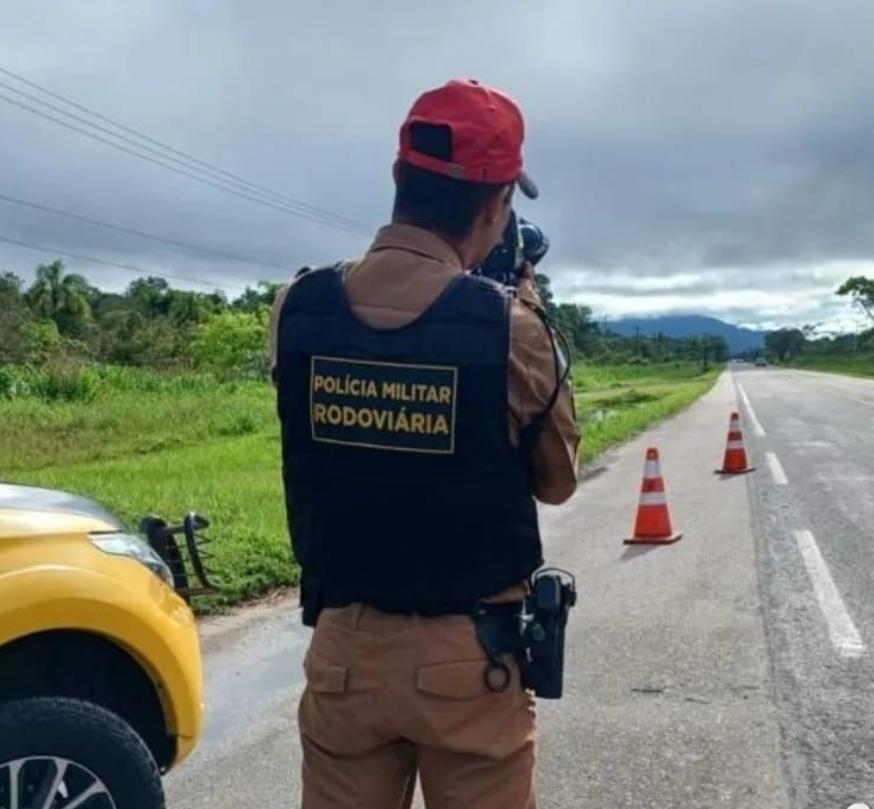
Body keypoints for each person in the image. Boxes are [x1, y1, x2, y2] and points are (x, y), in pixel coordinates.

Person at [269, 78, 581, 809]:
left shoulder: (296, 307)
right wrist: (522, 303)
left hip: (343, 651)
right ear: (499, 203)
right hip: (468, 662)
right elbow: (558, 478)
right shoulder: (509, 327)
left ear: (396, 179)